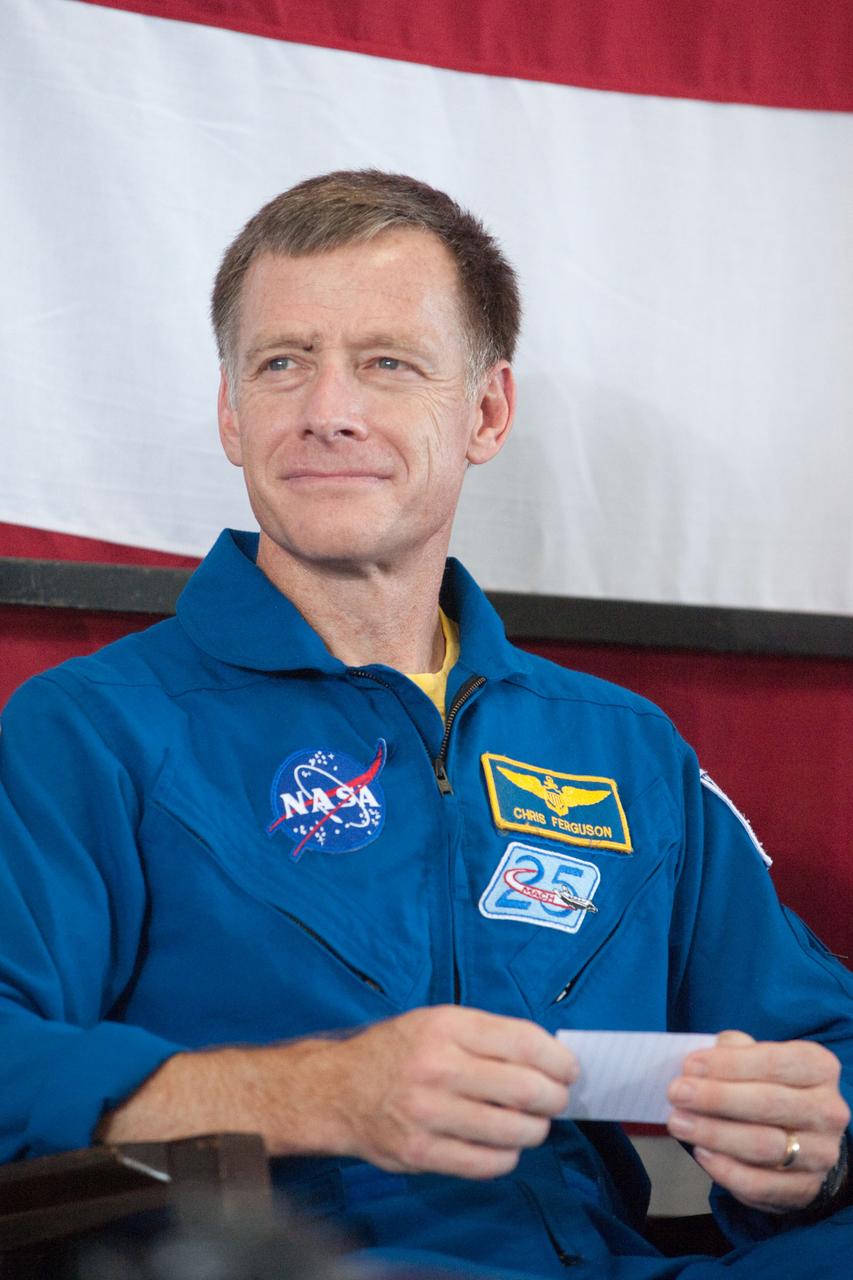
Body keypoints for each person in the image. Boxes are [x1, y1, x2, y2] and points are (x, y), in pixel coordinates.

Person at [1, 170, 851, 1278]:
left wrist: (811, 1131)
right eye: (281, 362)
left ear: (487, 412)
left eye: (386, 363)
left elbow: (819, 1040)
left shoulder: (622, 748)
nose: (326, 408)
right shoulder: (91, 730)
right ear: (229, 412)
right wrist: (316, 1095)